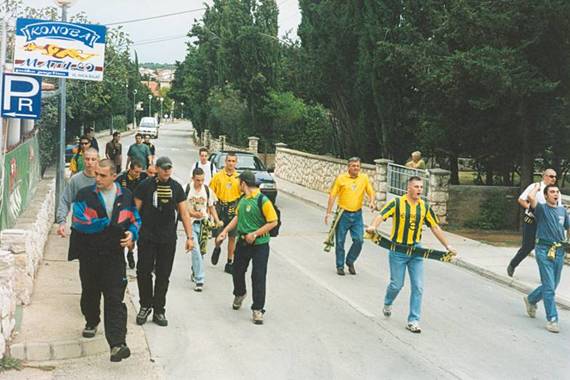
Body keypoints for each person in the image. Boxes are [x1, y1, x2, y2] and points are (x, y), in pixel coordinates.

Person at [68, 159, 141, 362]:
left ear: (113, 176)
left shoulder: (125, 195)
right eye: (96, 174)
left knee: (114, 299)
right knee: (90, 294)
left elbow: (135, 218)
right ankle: (92, 320)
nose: (97, 178)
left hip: (114, 257)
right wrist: (108, 224)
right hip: (89, 256)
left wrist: (132, 234)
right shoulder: (85, 195)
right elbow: (80, 222)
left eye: (102, 175)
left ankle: (118, 344)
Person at [366, 176, 457, 333]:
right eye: (416, 187)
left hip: (416, 251)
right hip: (398, 250)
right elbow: (381, 215)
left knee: (418, 287)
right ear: (408, 188)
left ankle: (413, 320)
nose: (419, 190)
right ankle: (388, 302)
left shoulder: (424, 207)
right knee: (397, 284)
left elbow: (435, 227)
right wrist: (373, 227)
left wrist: (447, 245)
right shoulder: (397, 203)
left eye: (421, 187)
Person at [134, 156, 194, 327]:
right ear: (157, 169)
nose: (167, 170)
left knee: (163, 274)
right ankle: (145, 305)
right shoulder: (145, 186)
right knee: (143, 271)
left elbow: (184, 213)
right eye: (164, 168)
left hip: (167, 238)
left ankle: (159, 309)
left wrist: (190, 237)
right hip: (146, 237)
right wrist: (130, 233)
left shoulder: (176, 188)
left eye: (169, 168)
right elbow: (135, 211)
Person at [216, 170, 278, 325]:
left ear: (243, 183)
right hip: (243, 243)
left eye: (239, 182)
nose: (237, 184)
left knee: (258, 276)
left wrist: (255, 234)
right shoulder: (243, 200)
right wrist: (224, 231)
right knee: (237, 271)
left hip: (260, 245)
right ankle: (240, 293)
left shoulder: (262, 200)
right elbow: (237, 217)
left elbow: (273, 221)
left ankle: (258, 309)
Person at [523, 183, 570, 333]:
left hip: (559, 251)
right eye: (552, 192)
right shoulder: (541, 209)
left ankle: (531, 299)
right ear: (545, 195)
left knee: (552, 285)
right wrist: (537, 186)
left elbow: (568, 227)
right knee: (549, 286)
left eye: (557, 192)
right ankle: (552, 319)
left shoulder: (563, 211)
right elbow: (530, 197)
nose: (555, 194)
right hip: (544, 250)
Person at [325, 157, 375, 275]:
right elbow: (332, 195)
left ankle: (350, 260)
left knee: (359, 240)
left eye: (357, 166)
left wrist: (372, 201)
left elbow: (370, 191)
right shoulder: (341, 178)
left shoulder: (364, 178)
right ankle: (340, 266)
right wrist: (328, 212)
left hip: (357, 215)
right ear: (348, 167)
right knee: (340, 241)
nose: (356, 168)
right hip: (343, 214)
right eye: (353, 166)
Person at [507, 169, 561, 277]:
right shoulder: (535, 187)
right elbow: (522, 199)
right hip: (531, 220)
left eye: (555, 177)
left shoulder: (555, 191)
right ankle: (513, 264)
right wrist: (532, 209)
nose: (553, 179)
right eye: (551, 176)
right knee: (528, 246)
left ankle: (546, 275)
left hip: (546, 223)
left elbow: (557, 207)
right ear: (544, 176)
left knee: (545, 248)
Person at [186, 167, 220, 292]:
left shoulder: (207, 190)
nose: (200, 183)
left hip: (204, 224)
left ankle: (195, 270)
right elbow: (182, 207)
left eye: (202, 180)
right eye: (198, 180)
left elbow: (211, 207)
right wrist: (193, 214)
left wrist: (216, 220)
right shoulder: (187, 189)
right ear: (193, 178)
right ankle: (199, 280)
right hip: (190, 224)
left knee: (202, 252)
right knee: (195, 250)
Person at [210, 152, 242, 274]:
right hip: (221, 208)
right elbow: (211, 194)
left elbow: (242, 195)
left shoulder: (238, 178)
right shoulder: (218, 177)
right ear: (225, 162)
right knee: (219, 237)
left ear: (236, 163)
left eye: (233, 161)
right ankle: (217, 248)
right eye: (229, 161)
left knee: (232, 237)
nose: (231, 163)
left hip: (233, 208)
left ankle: (230, 262)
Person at [56, 148, 99, 237]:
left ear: (97, 160)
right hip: (79, 229)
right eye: (87, 159)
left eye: (93, 159)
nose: (90, 162)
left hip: (99, 229)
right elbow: (65, 200)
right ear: (83, 160)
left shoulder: (103, 180)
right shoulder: (75, 180)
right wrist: (62, 222)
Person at [115, 160, 148, 269]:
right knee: (122, 236)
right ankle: (122, 258)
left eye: (140, 172)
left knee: (133, 236)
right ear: (131, 169)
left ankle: (130, 253)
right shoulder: (121, 179)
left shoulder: (143, 178)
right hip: (123, 212)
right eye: (136, 172)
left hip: (137, 212)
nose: (138, 174)